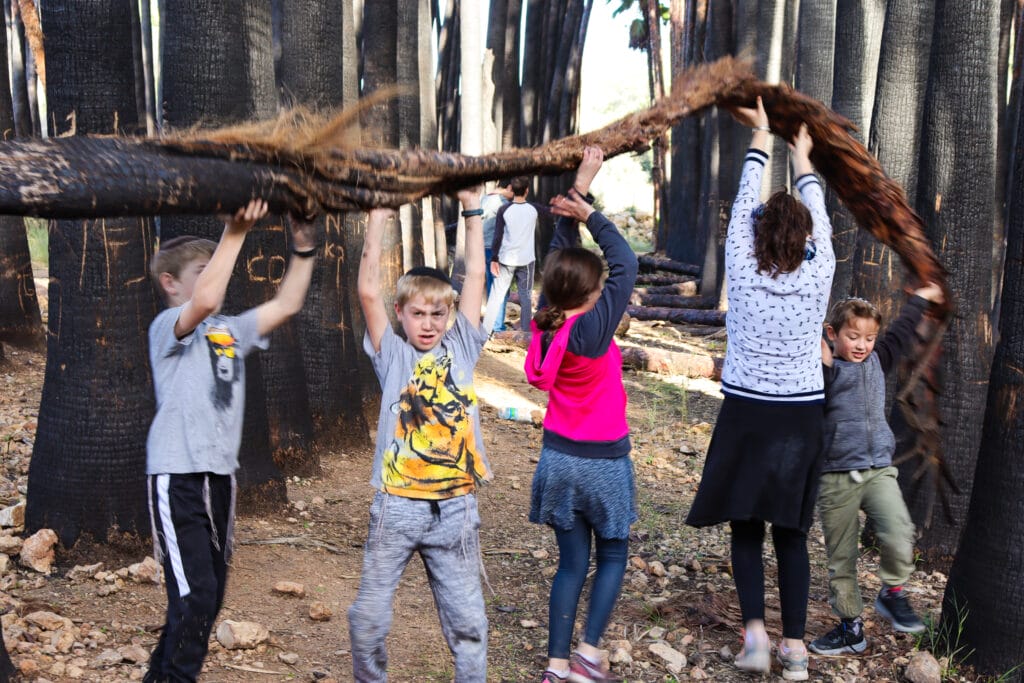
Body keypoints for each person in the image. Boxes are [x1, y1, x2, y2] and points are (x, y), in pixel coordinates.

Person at [684, 97, 835, 682]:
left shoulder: (742, 267)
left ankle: (754, 639)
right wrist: (803, 157)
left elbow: (747, 197)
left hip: (746, 409)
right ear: (805, 239)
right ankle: (795, 650)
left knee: (747, 523)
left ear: (756, 233)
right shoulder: (819, 271)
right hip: (801, 415)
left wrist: (762, 137)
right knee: (792, 534)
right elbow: (816, 210)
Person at [144, 199, 317, 683]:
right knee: (194, 595)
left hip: (219, 478)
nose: (212, 276)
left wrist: (304, 247)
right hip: (177, 475)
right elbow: (203, 302)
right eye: (202, 269)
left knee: (208, 597)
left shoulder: (228, 332)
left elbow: (287, 304)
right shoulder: (167, 328)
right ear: (171, 283)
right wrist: (235, 233)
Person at [348, 189, 492, 682]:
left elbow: (475, 275)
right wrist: (377, 216)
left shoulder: (464, 346)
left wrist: (473, 209)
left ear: (449, 316)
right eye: (417, 314)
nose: (428, 324)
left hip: (455, 509)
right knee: (367, 620)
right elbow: (367, 291)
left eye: (437, 315)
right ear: (401, 313)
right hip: (397, 506)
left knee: (469, 625)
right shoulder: (391, 353)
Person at [526, 147, 640, 683]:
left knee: (571, 564)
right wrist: (590, 214)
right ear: (594, 294)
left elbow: (560, 262)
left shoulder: (546, 321)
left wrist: (581, 191)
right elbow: (627, 262)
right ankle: (588, 657)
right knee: (612, 555)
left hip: (557, 461)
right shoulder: (594, 327)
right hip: (603, 463)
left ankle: (554, 666)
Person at [809, 285, 943, 655]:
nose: (862, 345)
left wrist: (920, 299)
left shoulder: (878, 360)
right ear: (833, 334)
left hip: (879, 470)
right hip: (836, 475)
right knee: (842, 558)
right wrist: (820, 352)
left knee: (899, 530)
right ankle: (850, 627)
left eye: (869, 338)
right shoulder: (827, 370)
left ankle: (892, 592)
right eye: (853, 336)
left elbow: (900, 331)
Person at [483, 176, 543, 333]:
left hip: (495, 254)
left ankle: (489, 330)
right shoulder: (524, 208)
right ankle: (515, 331)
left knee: (495, 292)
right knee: (516, 295)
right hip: (515, 256)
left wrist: (494, 257)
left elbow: (495, 234)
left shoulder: (495, 204)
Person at [482, 179, 514, 333]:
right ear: (508, 187)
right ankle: (496, 328)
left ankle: (492, 324)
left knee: (492, 287)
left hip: (484, 248)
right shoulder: (503, 203)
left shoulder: (485, 199)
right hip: (498, 251)